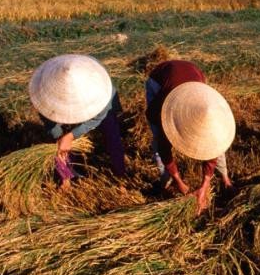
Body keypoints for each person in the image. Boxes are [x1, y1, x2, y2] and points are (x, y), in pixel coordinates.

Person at [145, 60, 235, 214]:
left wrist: (204, 185)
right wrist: (180, 182)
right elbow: (163, 148)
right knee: (158, 140)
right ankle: (167, 181)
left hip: (194, 74)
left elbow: (215, 145)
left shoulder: (212, 110)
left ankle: (225, 177)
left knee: (215, 141)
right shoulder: (163, 112)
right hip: (160, 80)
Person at [29, 54, 127, 190]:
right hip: (59, 98)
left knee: (112, 136)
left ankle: (119, 175)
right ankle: (66, 177)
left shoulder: (100, 91)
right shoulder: (45, 93)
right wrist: (60, 138)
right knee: (61, 147)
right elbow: (50, 122)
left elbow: (97, 118)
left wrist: (71, 136)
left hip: (102, 106)